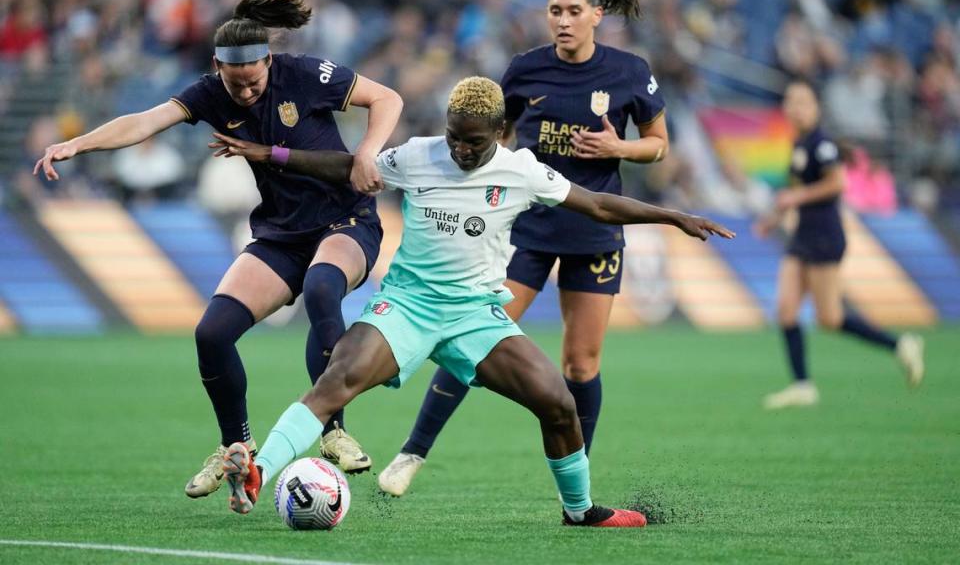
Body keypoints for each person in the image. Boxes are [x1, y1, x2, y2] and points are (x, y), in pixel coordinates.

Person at [209, 76, 734, 527]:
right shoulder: (416, 156)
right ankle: (257, 471)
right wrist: (270, 154)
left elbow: (596, 203)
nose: (461, 149)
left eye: (474, 142)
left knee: (557, 402)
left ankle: (580, 510)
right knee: (336, 382)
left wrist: (672, 216)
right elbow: (346, 166)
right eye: (455, 137)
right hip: (408, 306)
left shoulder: (521, 170)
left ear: (500, 135)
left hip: (474, 314)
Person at [33, 0, 403, 493]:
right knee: (211, 333)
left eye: (253, 82)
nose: (246, 93)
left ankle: (332, 429)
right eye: (236, 84)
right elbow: (144, 121)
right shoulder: (209, 92)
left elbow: (388, 97)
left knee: (322, 288)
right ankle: (237, 448)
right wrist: (78, 142)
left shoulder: (306, 73)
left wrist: (367, 152)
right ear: (217, 67)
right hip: (280, 233)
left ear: (269, 62)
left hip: (346, 220)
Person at [378, 0, 669, 496]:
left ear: (597, 13)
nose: (561, 19)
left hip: (594, 231)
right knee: (473, 335)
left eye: (572, 10)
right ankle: (412, 453)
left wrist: (618, 147)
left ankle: (578, 477)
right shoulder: (525, 69)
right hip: (528, 229)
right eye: (554, 9)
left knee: (580, 364)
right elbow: (493, 139)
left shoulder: (630, 73)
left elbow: (658, 146)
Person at [754, 81, 925, 409]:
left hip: (824, 235)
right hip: (803, 234)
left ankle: (901, 344)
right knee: (786, 309)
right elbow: (797, 191)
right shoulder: (800, 143)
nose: (795, 107)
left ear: (816, 106)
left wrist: (797, 196)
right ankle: (802, 385)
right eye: (790, 101)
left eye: (803, 101)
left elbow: (836, 183)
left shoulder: (822, 144)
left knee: (829, 318)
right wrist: (775, 218)